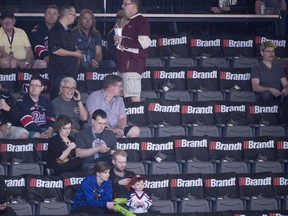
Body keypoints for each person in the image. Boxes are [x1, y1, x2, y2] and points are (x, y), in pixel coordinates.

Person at [114, 0, 151, 102]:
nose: (123, 6)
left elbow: (144, 43)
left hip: (132, 65)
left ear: (134, 6)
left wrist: (123, 40)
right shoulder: (128, 21)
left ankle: (136, 117)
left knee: (134, 96)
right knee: (121, 96)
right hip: (123, 64)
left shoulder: (141, 21)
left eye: (125, 4)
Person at [48, 5, 83, 100]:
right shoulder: (55, 30)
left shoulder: (70, 32)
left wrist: (77, 53)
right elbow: (55, 50)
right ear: (67, 15)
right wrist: (73, 54)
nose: (75, 17)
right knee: (57, 101)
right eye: (74, 15)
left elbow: (73, 49)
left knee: (70, 102)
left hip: (71, 73)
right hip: (60, 74)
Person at [75, 109, 116, 173]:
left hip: (105, 163)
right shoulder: (82, 134)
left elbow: (114, 154)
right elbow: (78, 154)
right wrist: (98, 148)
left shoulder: (110, 134)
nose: (102, 126)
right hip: (89, 164)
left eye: (104, 123)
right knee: (95, 168)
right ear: (93, 121)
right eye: (99, 123)